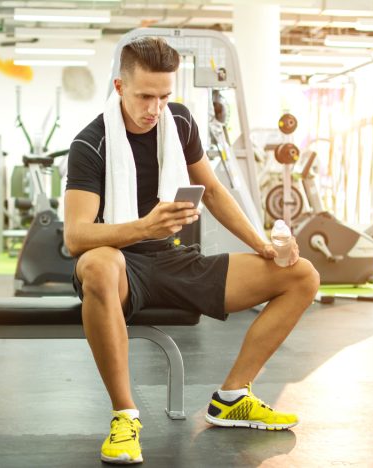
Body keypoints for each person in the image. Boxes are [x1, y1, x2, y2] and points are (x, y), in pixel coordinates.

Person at [64, 37, 320, 465]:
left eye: (164, 96)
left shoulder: (179, 123)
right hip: (122, 266)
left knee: (303, 275)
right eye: (145, 96)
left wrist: (263, 245)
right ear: (119, 87)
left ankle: (234, 396)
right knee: (101, 264)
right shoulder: (91, 145)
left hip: (174, 258)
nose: (155, 108)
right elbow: (76, 237)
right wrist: (144, 226)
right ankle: (125, 417)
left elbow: (215, 192)